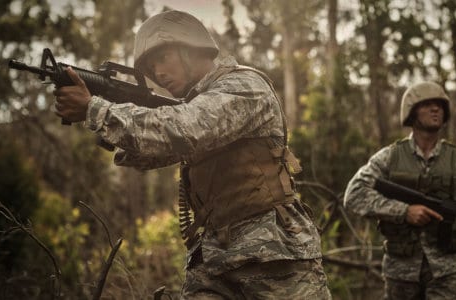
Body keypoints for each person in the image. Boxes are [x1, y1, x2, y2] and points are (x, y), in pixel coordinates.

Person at [53, 10, 331, 299]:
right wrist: (104, 109)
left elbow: (184, 129)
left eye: (163, 58)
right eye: (150, 67)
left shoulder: (244, 86)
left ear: (192, 48)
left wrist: (96, 110)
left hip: (275, 254)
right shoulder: (195, 103)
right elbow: (153, 153)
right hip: (214, 260)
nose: (158, 73)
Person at [343, 81, 456, 299]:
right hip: (401, 270)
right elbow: (354, 194)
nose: (435, 109)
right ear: (411, 111)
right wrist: (403, 211)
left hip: (449, 269)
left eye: (439, 105)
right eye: (427, 104)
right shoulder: (390, 157)